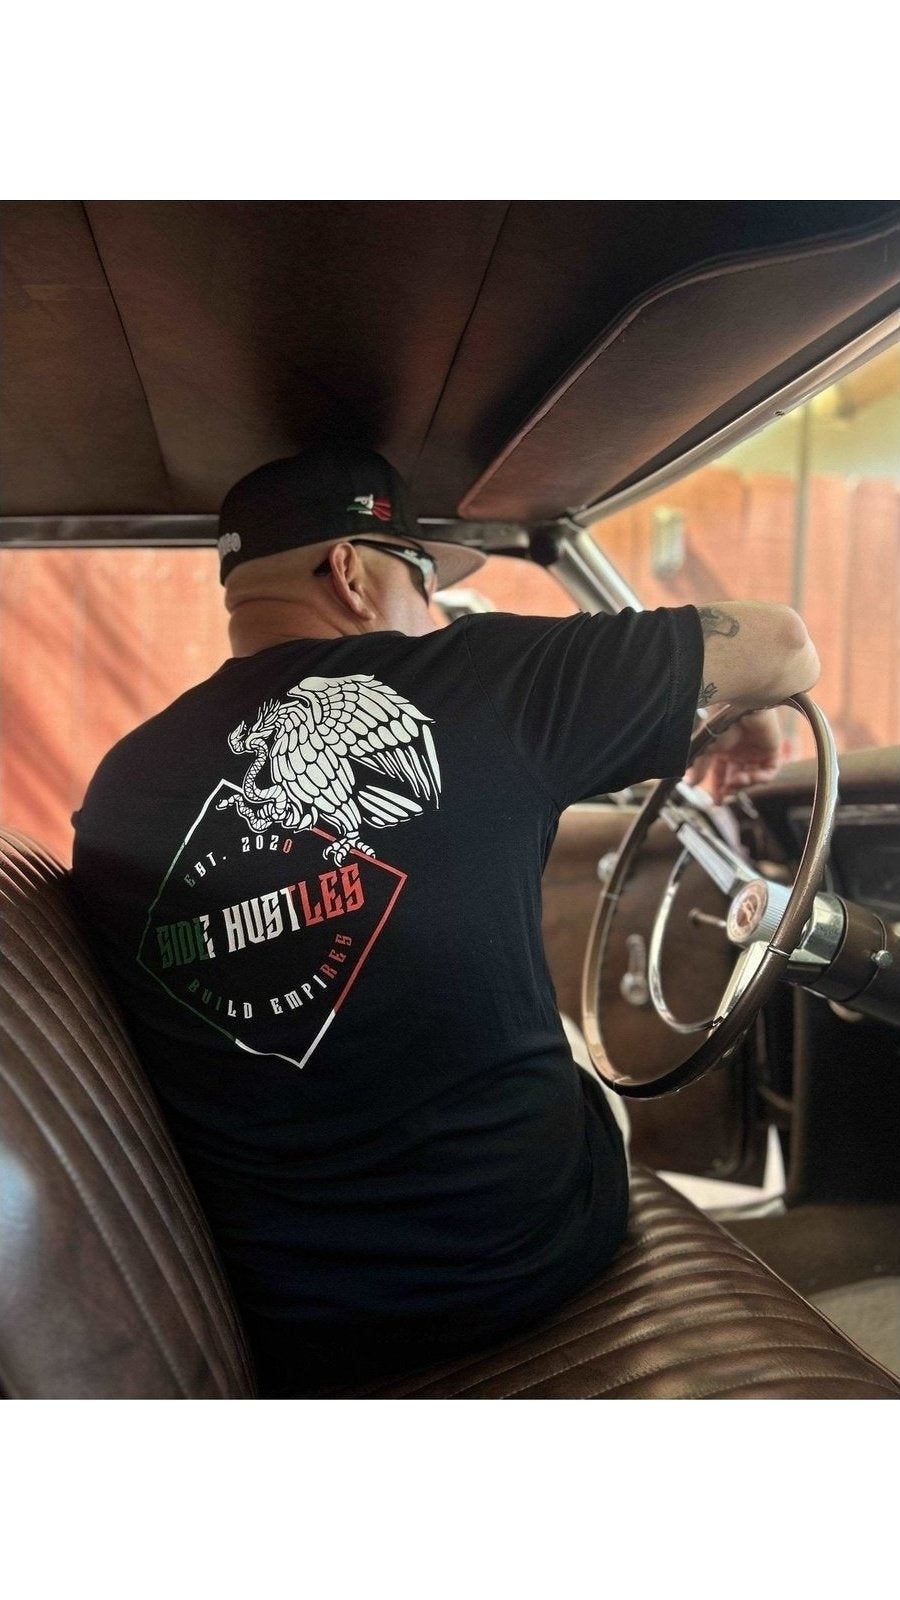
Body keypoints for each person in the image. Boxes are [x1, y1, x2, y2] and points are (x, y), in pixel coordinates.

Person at [71, 445, 820, 1396]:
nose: (434, 613)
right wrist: (744, 714)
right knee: (571, 1051)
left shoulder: (121, 783)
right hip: (513, 1270)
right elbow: (784, 646)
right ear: (350, 571)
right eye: (423, 580)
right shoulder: (468, 677)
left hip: (296, 1313)